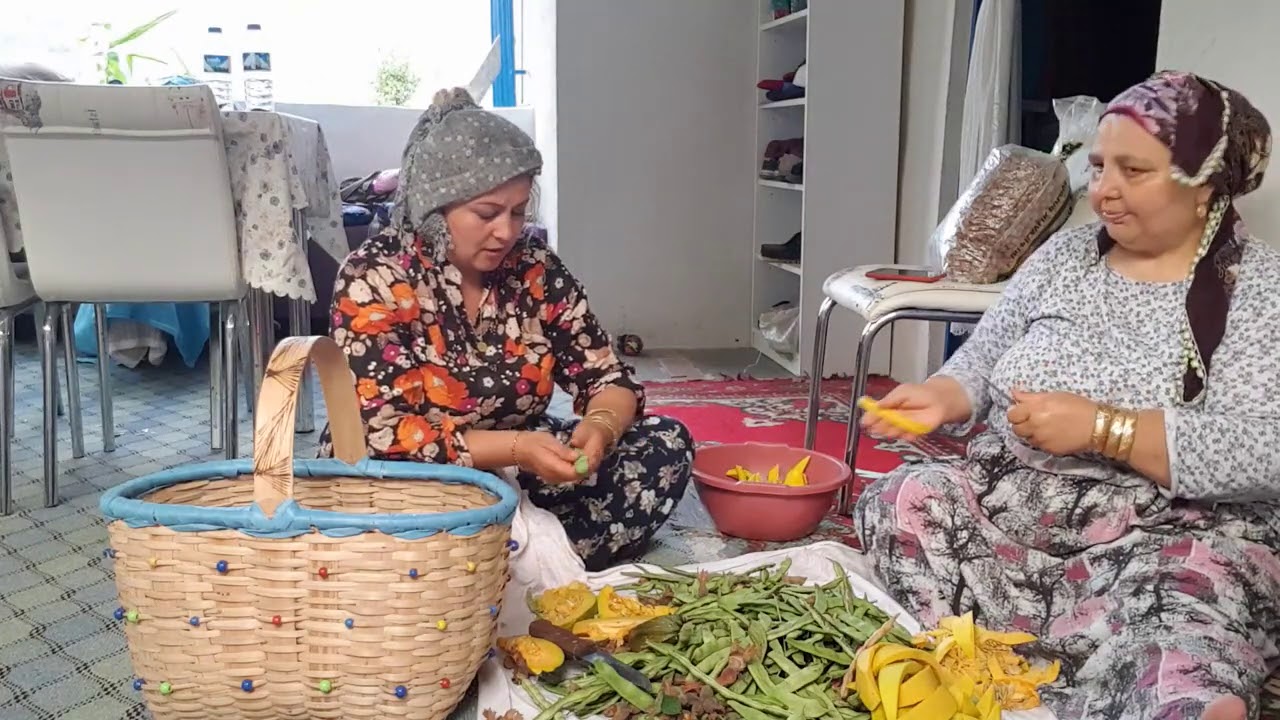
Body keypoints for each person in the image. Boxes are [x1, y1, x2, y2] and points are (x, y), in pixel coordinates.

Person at [856, 71, 1278, 720]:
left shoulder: (1259, 287)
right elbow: (984, 355)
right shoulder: (1067, 256)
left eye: (1133, 171)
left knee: (1193, 595)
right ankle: (963, 667)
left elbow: (1266, 448)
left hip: (1159, 534)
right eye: (1101, 164)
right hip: (1011, 511)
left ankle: (1168, 691)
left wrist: (1107, 429)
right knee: (904, 499)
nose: (1103, 190)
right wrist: (945, 393)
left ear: (1205, 188)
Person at [320, 88, 693, 571]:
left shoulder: (535, 269)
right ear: (436, 208)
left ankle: (493, 567)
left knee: (664, 445)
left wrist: (598, 428)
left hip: (516, 463)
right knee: (380, 502)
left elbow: (608, 379)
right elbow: (385, 434)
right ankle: (501, 563)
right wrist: (517, 448)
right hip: (410, 477)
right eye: (486, 214)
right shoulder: (375, 276)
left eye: (518, 211)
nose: (507, 231)